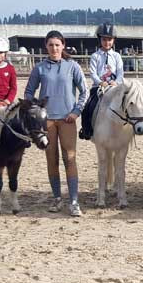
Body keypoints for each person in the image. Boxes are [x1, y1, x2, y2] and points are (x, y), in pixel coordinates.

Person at [24, 30, 87, 217]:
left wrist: (76, 112)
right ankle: (57, 198)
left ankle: (74, 200)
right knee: (51, 159)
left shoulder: (72, 66)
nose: (54, 48)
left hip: (67, 119)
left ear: (63, 45)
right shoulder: (39, 68)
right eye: (50, 45)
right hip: (47, 121)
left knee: (70, 158)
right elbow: (29, 92)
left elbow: (84, 92)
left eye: (57, 45)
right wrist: (36, 110)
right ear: (46, 46)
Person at [79, 23, 123, 140]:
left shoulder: (117, 56)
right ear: (100, 39)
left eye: (109, 40)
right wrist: (99, 82)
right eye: (104, 39)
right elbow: (92, 73)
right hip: (98, 87)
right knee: (87, 104)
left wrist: (117, 82)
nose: (107, 42)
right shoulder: (95, 56)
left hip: (114, 87)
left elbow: (120, 72)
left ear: (113, 40)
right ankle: (86, 129)